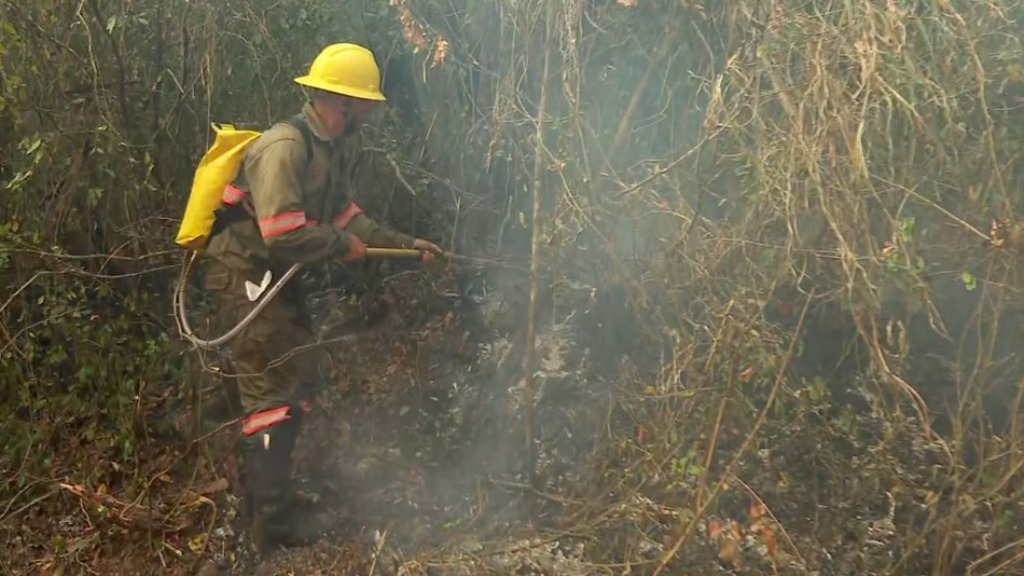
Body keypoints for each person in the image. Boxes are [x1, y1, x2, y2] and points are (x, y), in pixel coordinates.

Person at [199, 42, 443, 554]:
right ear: (345, 104)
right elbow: (282, 233)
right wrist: (339, 245)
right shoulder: (284, 147)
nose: (372, 113)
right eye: (367, 103)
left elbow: (345, 219)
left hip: (270, 272)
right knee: (271, 389)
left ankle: (268, 499)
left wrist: (402, 244)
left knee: (299, 373)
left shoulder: (333, 148)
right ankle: (273, 526)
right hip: (240, 271)